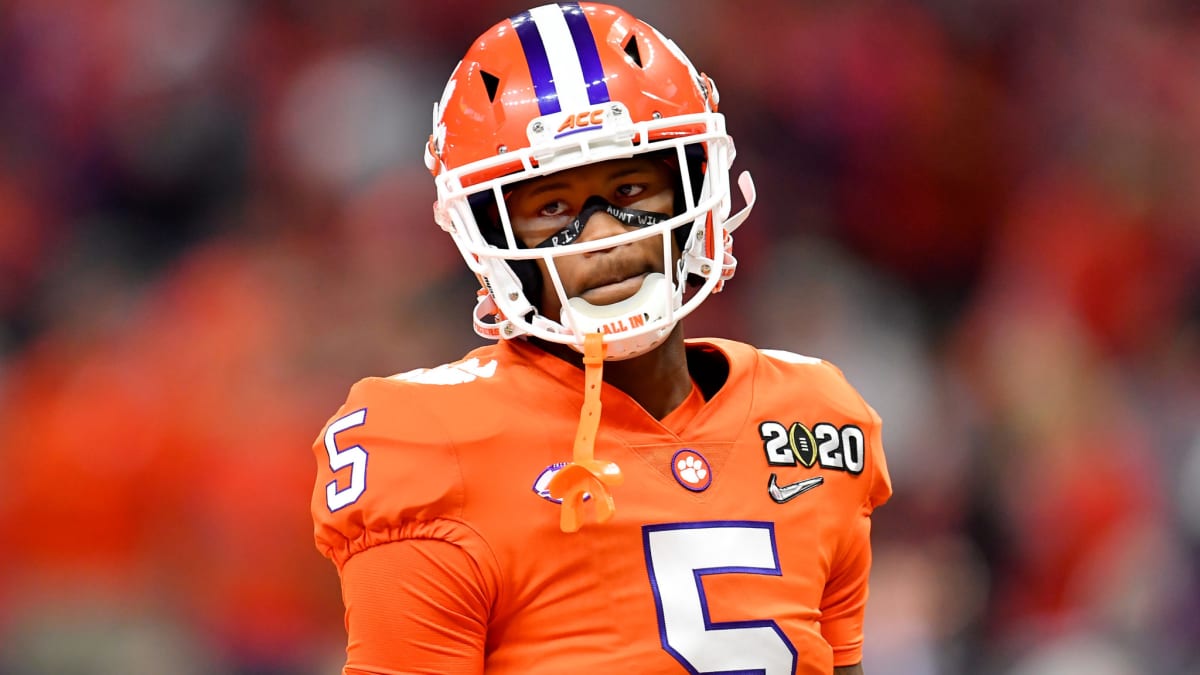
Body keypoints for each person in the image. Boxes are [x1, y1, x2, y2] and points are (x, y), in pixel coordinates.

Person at [310, 3, 891, 673]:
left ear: (693, 191)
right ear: (490, 237)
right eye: (553, 206)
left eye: (632, 186)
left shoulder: (817, 418)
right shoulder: (427, 443)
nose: (603, 234)